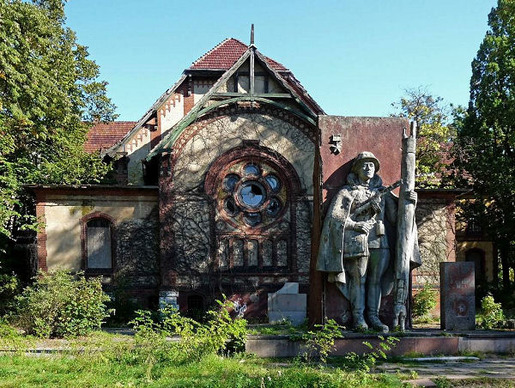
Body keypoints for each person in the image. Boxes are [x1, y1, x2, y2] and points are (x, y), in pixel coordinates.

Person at [317, 151, 416, 332]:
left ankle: (374, 317)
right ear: (356, 169)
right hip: (357, 241)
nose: (369, 167)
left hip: (380, 240)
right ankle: (359, 318)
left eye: (372, 165)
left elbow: (395, 219)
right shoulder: (347, 192)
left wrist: (409, 202)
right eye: (364, 164)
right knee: (358, 281)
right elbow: (335, 218)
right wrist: (355, 225)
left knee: (375, 281)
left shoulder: (382, 192)